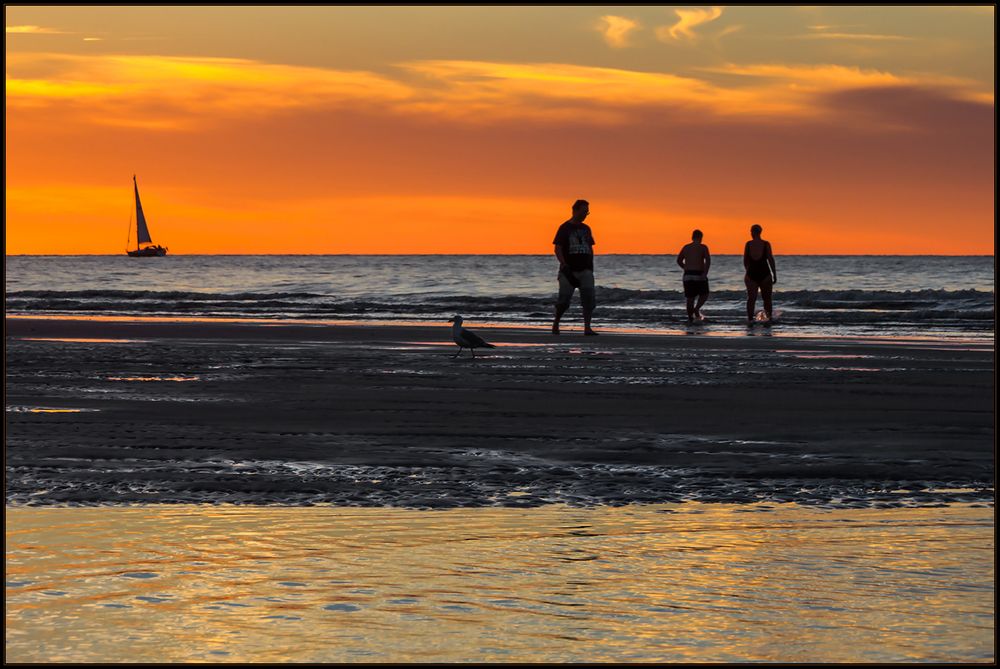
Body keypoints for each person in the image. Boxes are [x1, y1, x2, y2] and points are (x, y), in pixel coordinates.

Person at [552, 199, 597, 335]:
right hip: (568, 270)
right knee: (564, 301)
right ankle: (556, 323)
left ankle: (587, 328)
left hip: (585, 270)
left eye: (587, 212)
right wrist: (564, 264)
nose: (585, 214)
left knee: (589, 300)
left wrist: (590, 266)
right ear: (575, 210)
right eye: (583, 211)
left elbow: (590, 247)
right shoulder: (564, 228)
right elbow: (557, 248)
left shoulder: (586, 228)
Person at [744, 224, 777, 325]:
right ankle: (769, 319)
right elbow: (770, 259)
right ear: (760, 232)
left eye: (751, 231)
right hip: (764, 274)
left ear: (753, 232)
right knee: (767, 299)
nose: (750, 233)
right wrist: (774, 274)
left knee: (751, 298)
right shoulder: (766, 244)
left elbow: (745, 260)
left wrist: (748, 272)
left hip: (752, 274)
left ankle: (750, 320)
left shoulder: (748, 244)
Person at [676, 229, 711, 323]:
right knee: (704, 294)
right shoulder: (703, 247)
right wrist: (705, 273)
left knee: (689, 298)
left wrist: (685, 268)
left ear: (692, 237)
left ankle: (690, 319)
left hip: (687, 275)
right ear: (700, 237)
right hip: (698, 274)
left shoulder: (686, 247)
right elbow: (708, 261)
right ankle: (696, 309)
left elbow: (679, 260)